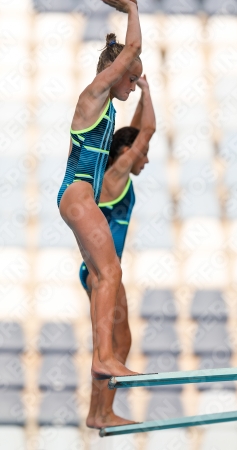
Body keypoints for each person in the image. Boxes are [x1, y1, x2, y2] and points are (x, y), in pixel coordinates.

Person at [58, 0, 142, 384]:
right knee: (110, 273)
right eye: (133, 78)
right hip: (77, 193)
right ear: (118, 72)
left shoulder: (107, 107)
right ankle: (103, 357)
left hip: (77, 196)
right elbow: (133, 47)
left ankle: (101, 393)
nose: (134, 84)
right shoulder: (94, 95)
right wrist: (132, 9)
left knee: (102, 275)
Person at [79, 75, 156, 428]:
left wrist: (139, 96)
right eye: (142, 154)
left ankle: (99, 412)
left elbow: (138, 130)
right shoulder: (115, 176)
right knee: (116, 343)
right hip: (100, 270)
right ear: (126, 153)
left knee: (115, 340)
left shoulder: (117, 172)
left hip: (98, 269)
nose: (146, 160)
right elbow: (148, 130)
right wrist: (150, 92)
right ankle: (101, 412)